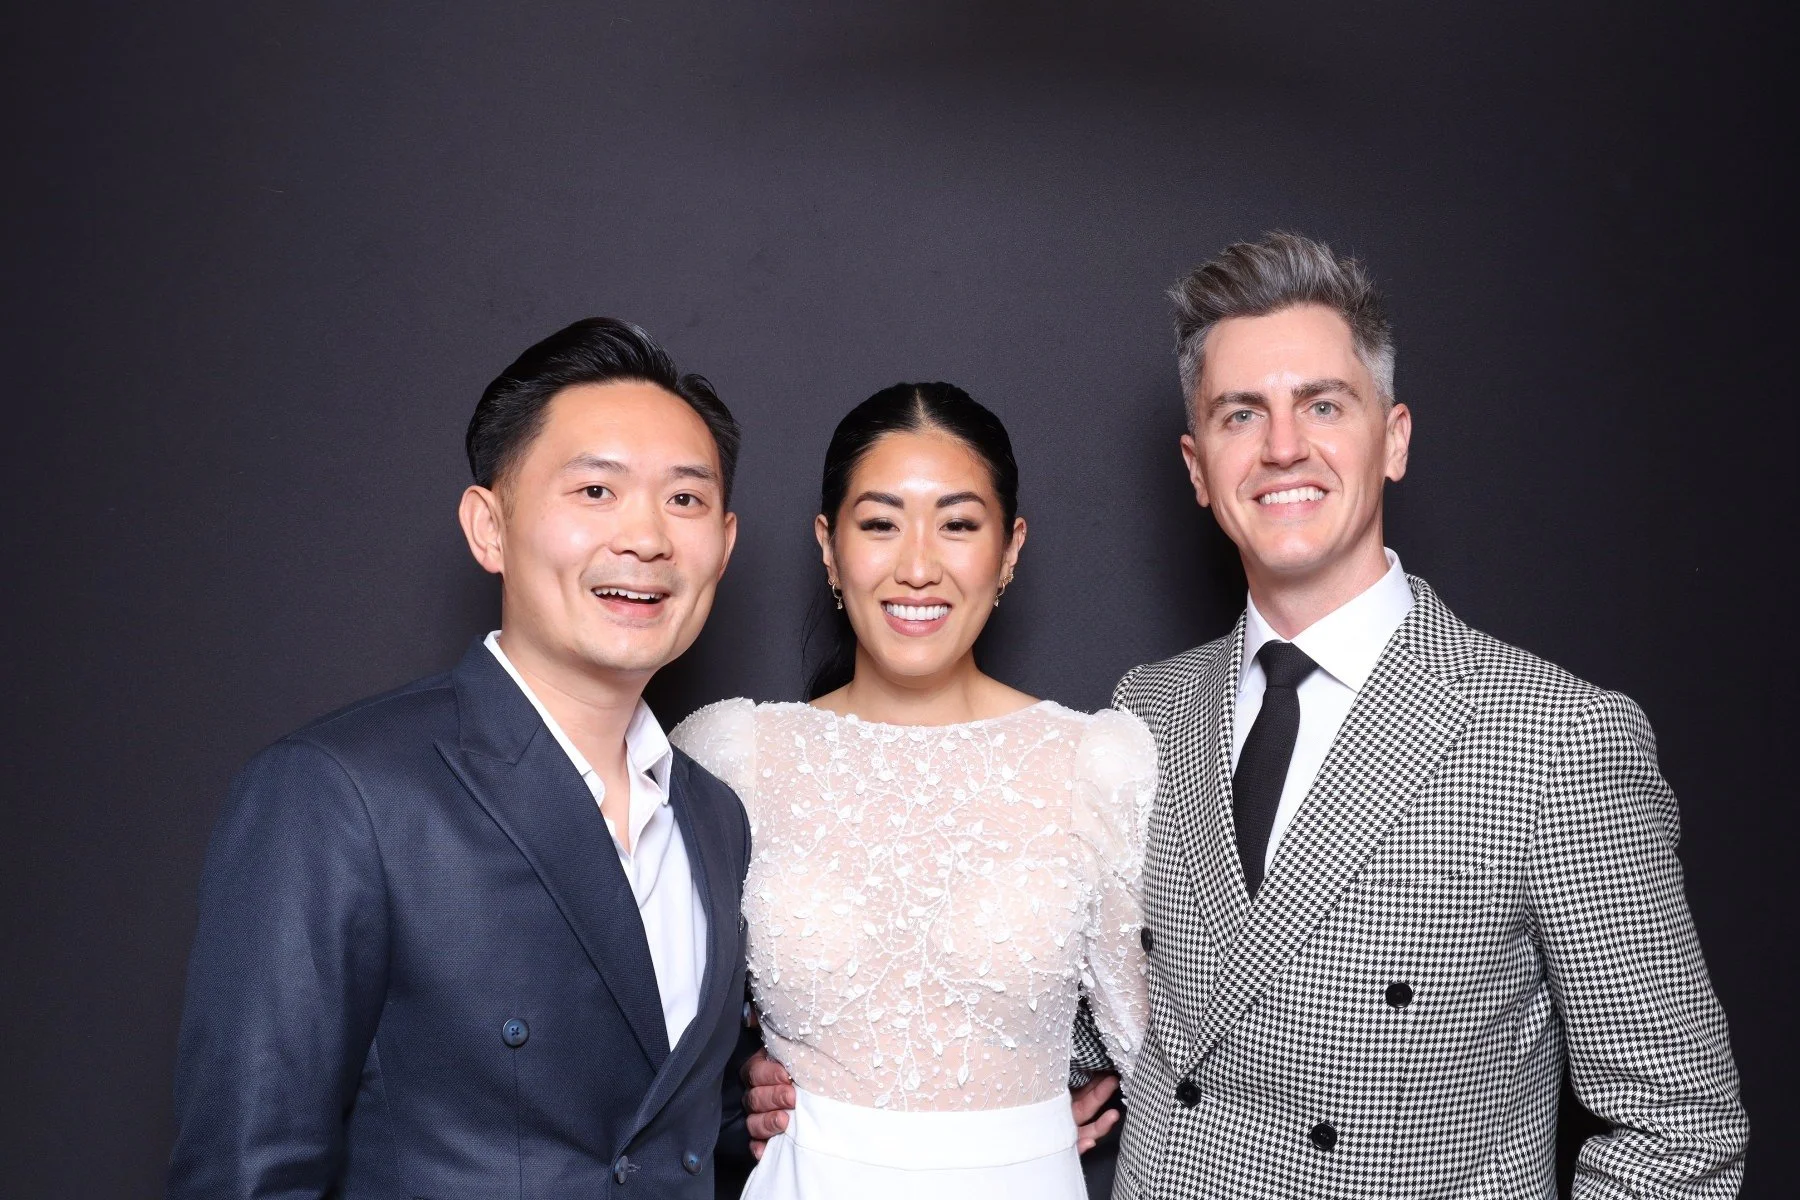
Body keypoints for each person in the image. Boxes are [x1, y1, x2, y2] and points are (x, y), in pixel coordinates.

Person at [744, 234, 1752, 1196]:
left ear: (1393, 439)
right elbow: (1127, 995)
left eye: (1323, 405)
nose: (1281, 448)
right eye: (1239, 414)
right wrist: (823, 1070)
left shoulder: (1553, 738)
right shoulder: (1150, 713)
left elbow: (1681, 1122)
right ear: (1196, 468)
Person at [168, 318, 754, 1198]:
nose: (646, 538)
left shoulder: (716, 817)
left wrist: (762, 1105)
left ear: (726, 542)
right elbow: (247, 1174)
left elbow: (651, 1117)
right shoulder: (341, 792)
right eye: (595, 491)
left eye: (685, 500)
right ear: (489, 525)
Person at [671, 383, 1157, 1199]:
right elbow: (662, 1031)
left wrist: (1014, 1118)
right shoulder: (733, 754)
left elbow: (1157, 1042)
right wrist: (735, 1092)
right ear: (829, 547)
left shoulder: (1097, 760)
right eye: (880, 523)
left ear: (1010, 548)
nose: (919, 565)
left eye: (959, 525)